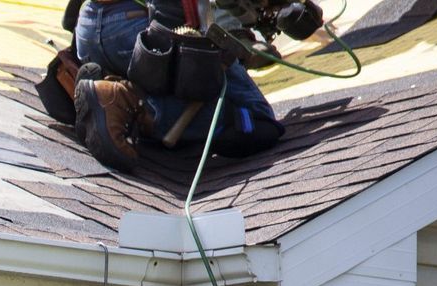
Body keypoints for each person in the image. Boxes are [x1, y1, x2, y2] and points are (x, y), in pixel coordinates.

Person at [72, 0, 282, 172]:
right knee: (258, 121)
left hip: (87, 27)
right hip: (138, 32)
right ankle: (133, 104)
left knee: (189, 118)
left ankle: (112, 83)